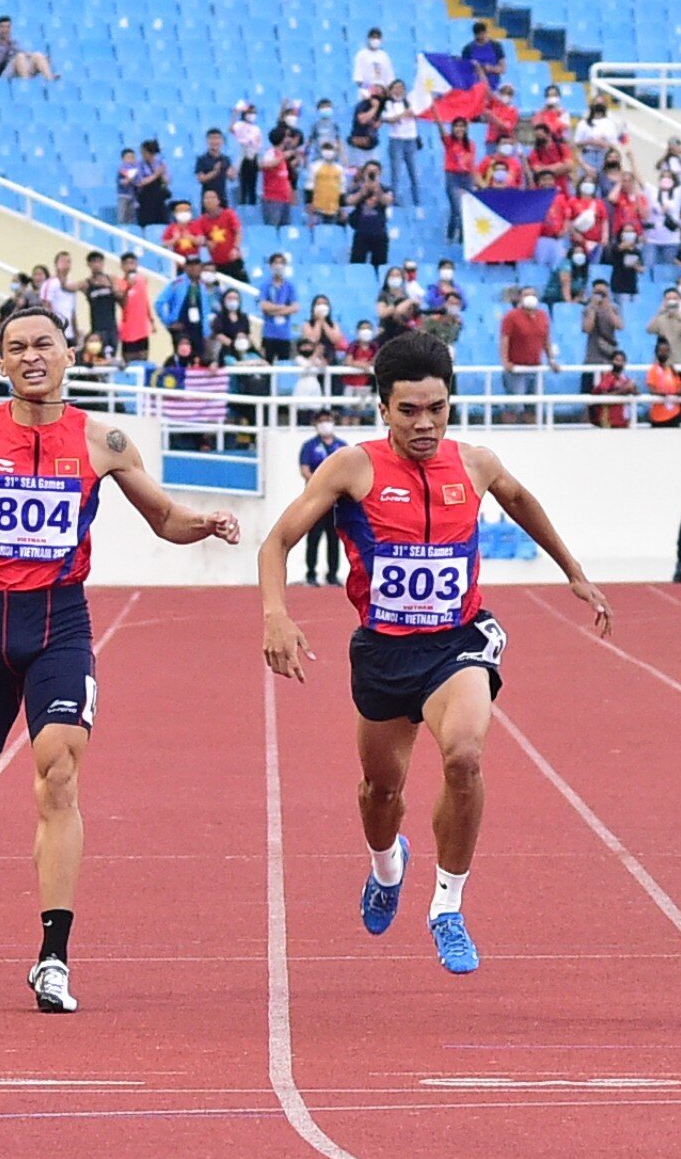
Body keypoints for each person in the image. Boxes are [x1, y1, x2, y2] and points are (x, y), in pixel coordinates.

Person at [0, 305, 240, 1012]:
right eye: (15, 347)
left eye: (42, 343)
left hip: (62, 621)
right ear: (1, 362)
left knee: (58, 775)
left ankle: (53, 956)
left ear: (68, 352)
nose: (30, 356)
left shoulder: (104, 439)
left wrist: (200, 522)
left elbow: (163, 517)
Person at [257, 331, 610, 976]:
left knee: (465, 757)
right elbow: (277, 542)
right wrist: (276, 615)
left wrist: (573, 569)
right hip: (384, 653)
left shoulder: (474, 463)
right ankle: (387, 865)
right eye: (409, 411)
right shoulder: (351, 467)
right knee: (379, 793)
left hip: (459, 640)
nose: (425, 424)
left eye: (437, 408)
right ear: (382, 408)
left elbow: (521, 498)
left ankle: (447, 906)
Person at [296, 414, 345, 587]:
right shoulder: (310, 446)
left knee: (334, 538)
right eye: (322, 421)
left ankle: (332, 574)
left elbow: (347, 470)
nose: (326, 424)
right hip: (316, 499)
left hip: (336, 501)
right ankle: (311, 573)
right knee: (314, 537)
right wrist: (320, 484)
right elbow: (305, 469)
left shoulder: (341, 446)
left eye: (328, 420)